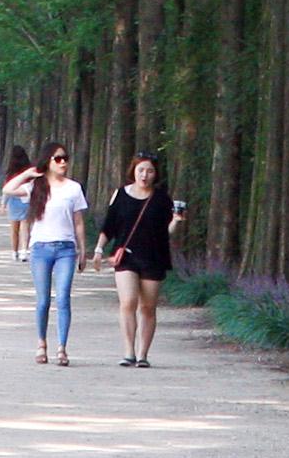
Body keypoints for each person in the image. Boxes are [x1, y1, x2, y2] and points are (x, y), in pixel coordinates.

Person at [95, 151, 185, 366]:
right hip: (126, 256)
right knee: (128, 302)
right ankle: (128, 352)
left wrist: (176, 221)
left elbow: (164, 232)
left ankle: (143, 354)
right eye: (141, 170)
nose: (145, 175)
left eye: (150, 171)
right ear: (133, 171)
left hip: (154, 257)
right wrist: (99, 249)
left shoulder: (161, 199)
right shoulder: (120, 195)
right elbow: (109, 226)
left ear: (155, 174)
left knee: (148, 307)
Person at [21, 143, 86, 364]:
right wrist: (29, 173)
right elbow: (7, 189)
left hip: (66, 249)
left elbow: (78, 222)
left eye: (65, 158)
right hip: (41, 248)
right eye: (58, 159)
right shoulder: (36, 186)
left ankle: (62, 347)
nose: (63, 162)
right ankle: (41, 343)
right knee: (43, 301)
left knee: (64, 297)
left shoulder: (74, 188)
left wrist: (83, 249)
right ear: (48, 161)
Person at [0, 147, 36, 261]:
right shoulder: (29, 171)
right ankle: (24, 251)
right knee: (25, 227)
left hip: (14, 201)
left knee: (14, 229)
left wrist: (3, 204)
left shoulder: (11, 172)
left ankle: (14, 252)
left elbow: (6, 190)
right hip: (27, 200)